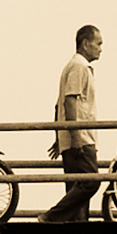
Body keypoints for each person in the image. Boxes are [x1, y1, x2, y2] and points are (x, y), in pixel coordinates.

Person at [39, 24, 102, 223]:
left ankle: (75, 233)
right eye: (98, 43)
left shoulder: (76, 66)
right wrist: (75, 136)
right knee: (90, 183)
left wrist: (59, 136)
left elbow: (58, 105)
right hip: (81, 138)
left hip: (74, 136)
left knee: (77, 191)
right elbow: (69, 100)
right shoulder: (79, 66)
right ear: (85, 43)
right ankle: (51, 217)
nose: (101, 48)